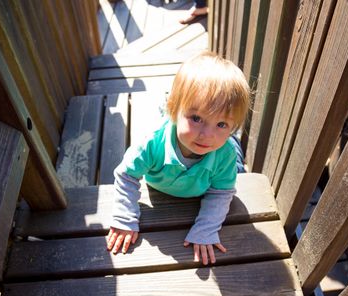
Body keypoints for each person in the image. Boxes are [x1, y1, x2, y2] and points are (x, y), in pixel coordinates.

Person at [107, 51, 251, 265]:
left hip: (221, 163)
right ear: (173, 109)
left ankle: (235, 139)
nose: (207, 135)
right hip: (174, 177)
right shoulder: (151, 143)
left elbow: (221, 192)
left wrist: (205, 229)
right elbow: (127, 175)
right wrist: (124, 216)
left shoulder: (223, 153)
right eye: (196, 118)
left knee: (236, 167)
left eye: (222, 124)